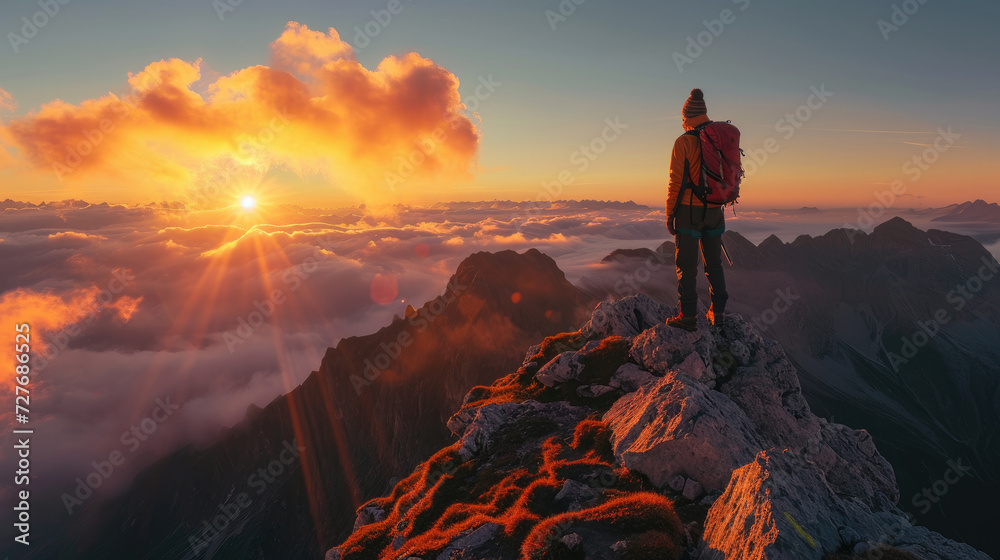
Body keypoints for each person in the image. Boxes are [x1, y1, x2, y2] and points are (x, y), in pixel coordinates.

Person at [665, 88, 728, 332]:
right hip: (715, 211)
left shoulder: (683, 142)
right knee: (714, 264)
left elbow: (675, 182)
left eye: (683, 118)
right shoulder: (718, 138)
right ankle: (719, 313)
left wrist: (670, 214)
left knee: (687, 267)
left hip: (689, 213)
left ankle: (688, 317)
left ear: (687, 117)